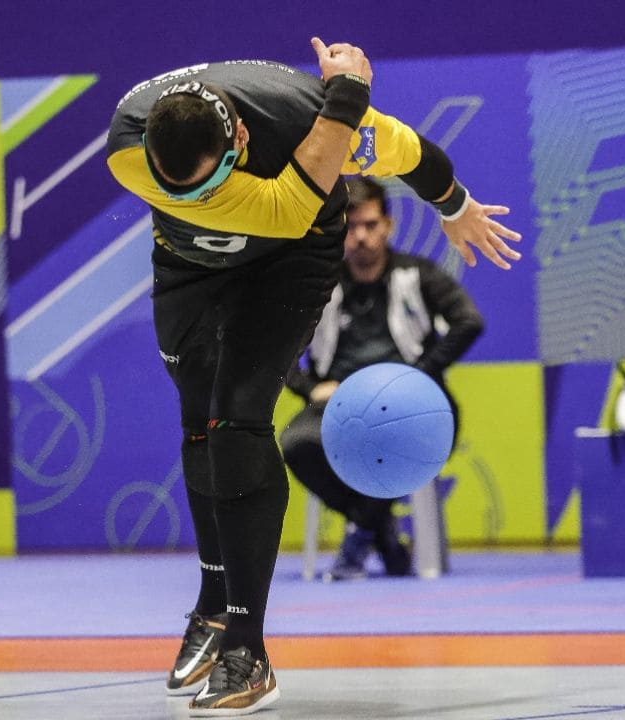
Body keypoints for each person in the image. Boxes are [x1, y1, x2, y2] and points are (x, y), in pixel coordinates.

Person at [106, 39, 520, 715]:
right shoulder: (127, 144)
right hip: (189, 261)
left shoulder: (310, 122)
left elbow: (414, 158)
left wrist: (454, 205)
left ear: (240, 139)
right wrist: (346, 96)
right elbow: (261, 199)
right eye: (180, 190)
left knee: (236, 417)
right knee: (197, 418)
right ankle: (213, 603)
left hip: (291, 258)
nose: (202, 199)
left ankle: (247, 650)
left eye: (210, 185)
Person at [282, 177, 483, 581]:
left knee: (394, 442)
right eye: (351, 226)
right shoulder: (318, 285)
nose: (360, 236)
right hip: (342, 406)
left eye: (370, 225)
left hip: (412, 405)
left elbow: (469, 321)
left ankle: (362, 535)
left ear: (388, 225)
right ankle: (379, 531)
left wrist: (419, 375)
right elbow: (277, 349)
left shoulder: (418, 274)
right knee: (295, 443)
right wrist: (310, 388)